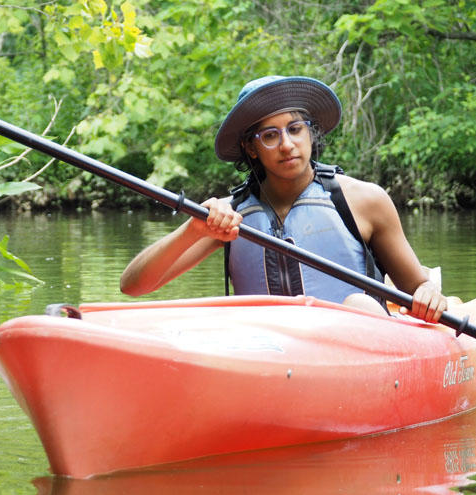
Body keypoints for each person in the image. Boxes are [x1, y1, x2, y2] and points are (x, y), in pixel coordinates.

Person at [120, 75, 448, 322]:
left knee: (359, 306)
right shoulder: (229, 217)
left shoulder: (364, 200)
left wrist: (429, 295)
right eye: (270, 135)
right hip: (268, 355)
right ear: (251, 147)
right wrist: (193, 231)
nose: (287, 145)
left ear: (310, 132)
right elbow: (133, 286)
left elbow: (418, 287)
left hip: (360, 350)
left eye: (295, 129)